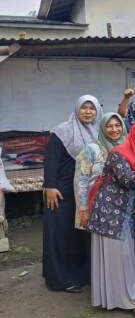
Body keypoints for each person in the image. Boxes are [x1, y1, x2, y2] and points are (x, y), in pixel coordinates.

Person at [88, 120, 135, 318]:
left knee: (130, 254)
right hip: (111, 212)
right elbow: (129, 180)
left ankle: (134, 291)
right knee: (120, 256)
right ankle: (130, 300)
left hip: (130, 212)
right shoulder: (118, 153)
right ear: (134, 134)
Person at [43, 95, 102, 293]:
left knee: (79, 235)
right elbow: (51, 159)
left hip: (84, 192)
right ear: (76, 109)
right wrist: (49, 186)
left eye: (91, 108)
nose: (87, 112)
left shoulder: (99, 132)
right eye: (84, 108)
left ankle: (79, 276)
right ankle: (59, 279)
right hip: (61, 191)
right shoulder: (62, 131)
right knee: (60, 234)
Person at [75, 113, 127, 231]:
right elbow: (82, 180)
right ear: (103, 128)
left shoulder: (128, 147)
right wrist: (83, 208)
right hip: (97, 204)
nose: (114, 129)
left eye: (117, 125)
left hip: (124, 205)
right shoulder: (92, 149)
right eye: (109, 126)